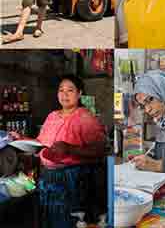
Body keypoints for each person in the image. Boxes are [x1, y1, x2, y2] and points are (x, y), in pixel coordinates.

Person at [9, 75, 106, 228]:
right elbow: (41, 142)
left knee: (68, 221)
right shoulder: (52, 116)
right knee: (48, 219)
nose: (64, 94)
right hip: (48, 177)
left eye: (70, 90)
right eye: (61, 90)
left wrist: (70, 149)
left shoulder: (85, 118)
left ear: (79, 93)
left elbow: (100, 150)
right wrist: (22, 138)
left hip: (72, 180)